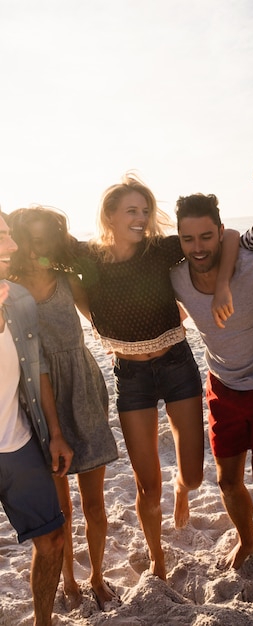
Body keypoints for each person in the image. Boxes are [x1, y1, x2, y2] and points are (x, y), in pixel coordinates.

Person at [74, 173, 239, 582]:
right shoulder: (87, 258)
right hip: (130, 376)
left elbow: (230, 234)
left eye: (145, 210)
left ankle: (181, 489)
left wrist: (221, 288)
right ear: (109, 215)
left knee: (196, 475)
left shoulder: (160, 249)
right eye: (132, 210)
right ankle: (156, 557)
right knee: (147, 484)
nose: (141, 218)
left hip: (176, 364)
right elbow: (60, 276)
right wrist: (98, 325)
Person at [170, 193, 253, 594]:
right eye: (188, 239)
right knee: (226, 481)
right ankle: (248, 537)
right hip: (222, 385)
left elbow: (242, 236)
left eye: (207, 236)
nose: (198, 247)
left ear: (220, 232)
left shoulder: (251, 266)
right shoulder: (175, 276)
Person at [8, 206, 119, 611]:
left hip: (83, 389)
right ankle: (69, 578)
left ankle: (97, 575)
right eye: (32, 239)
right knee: (61, 507)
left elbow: (103, 321)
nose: (39, 246)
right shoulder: (10, 288)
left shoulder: (69, 281)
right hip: (39, 396)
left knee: (94, 502)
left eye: (45, 239)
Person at [0, 212, 73, 626]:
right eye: (1, 238)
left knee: (52, 540)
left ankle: (42, 622)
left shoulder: (20, 300)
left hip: (20, 445)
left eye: (9, 236)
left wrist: (56, 433)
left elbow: (37, 364)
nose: (11, 247)